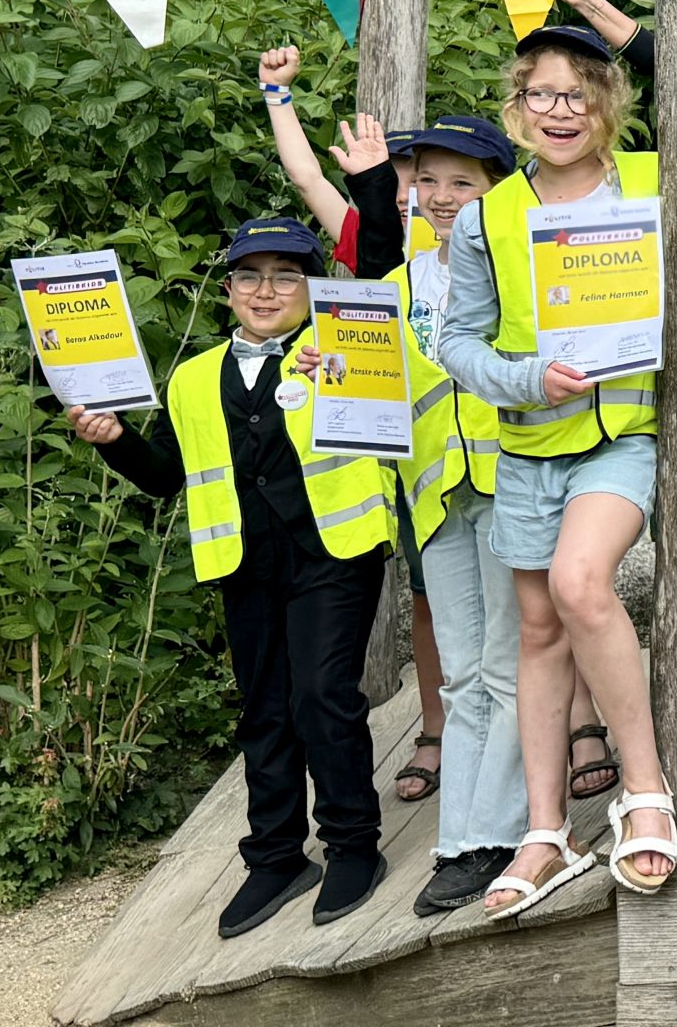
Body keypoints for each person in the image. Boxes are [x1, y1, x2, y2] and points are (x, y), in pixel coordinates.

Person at [440, 25, 677, 910]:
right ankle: (545, 832)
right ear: (517, 109)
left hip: (626, 433)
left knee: (581, 584)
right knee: (539, 631)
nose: (562, 111)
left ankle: (644, 792)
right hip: (524, 445)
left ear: (609, 104)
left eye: (579, 93)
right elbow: (457, 342)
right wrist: (525, 379)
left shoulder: (656, 181)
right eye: (543, 95)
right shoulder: (486, 216)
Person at [65, 215, 399, 937]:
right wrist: (115, 439)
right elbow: (163, 479)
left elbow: (380, 290)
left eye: (287, 275)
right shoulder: (190, 377)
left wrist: (349, 360)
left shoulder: (338, 346)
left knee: (321, 696)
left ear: (313, 286)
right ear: (227, 289)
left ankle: (353, 846)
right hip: (244, 562)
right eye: (251, 275)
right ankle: (276, 857)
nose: (267, 289)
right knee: (264, 710)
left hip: (334, 550)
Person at [330, 116, 532, 915]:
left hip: (513, 477)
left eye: (465, 182)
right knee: (462, 671)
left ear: (496, 191)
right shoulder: (384, 292)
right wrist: (325, 371)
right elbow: (352, 413)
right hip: (436, 500)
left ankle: (502, 834)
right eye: (428, 181)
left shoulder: (519, 268)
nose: (443, 198)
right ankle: (465, 840)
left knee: (510, 666)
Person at [256, 49, 451, 803]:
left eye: (418, 176)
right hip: (394, 456)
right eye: (398, 179)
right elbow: (306, 177)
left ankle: (576, 723)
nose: (409, 192)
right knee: (427, 601)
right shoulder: (368, 242)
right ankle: (434, 730)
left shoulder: (474, 229)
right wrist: (277, 94)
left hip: (479, 440)